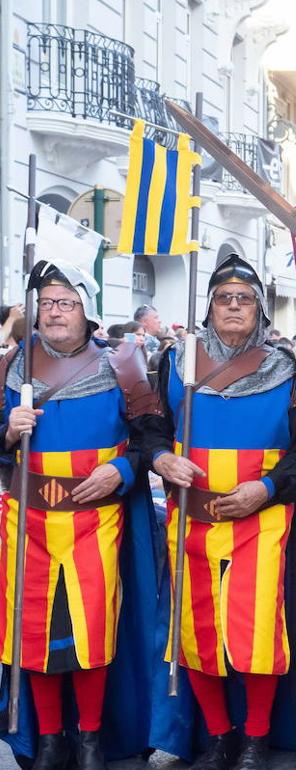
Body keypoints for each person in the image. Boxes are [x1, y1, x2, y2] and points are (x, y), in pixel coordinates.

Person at [150, 254, 296, 770]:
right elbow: (150, 429)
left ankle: (256, 737)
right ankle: (219, 733)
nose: (234, 306)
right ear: (209, 307)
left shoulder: (288, 368)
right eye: (224, 298)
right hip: (192, 518)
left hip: (261, 521)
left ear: (261, 310)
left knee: (257, 632)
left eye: (245, 299)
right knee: (196, 632)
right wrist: (161, 457)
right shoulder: (175, 361)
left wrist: (266, 488)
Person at [0, 261, 165, 770]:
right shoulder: (9, 366)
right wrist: (6, 431)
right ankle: (49, 739)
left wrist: (122, 469)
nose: (54, 311)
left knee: (93, 629)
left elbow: (152, 439)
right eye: (46, 302)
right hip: (26, 519)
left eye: (66, 302)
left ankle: (91, 738)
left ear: (86, 311)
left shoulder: (123, 365)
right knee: (36, 631)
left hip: (98, 520)